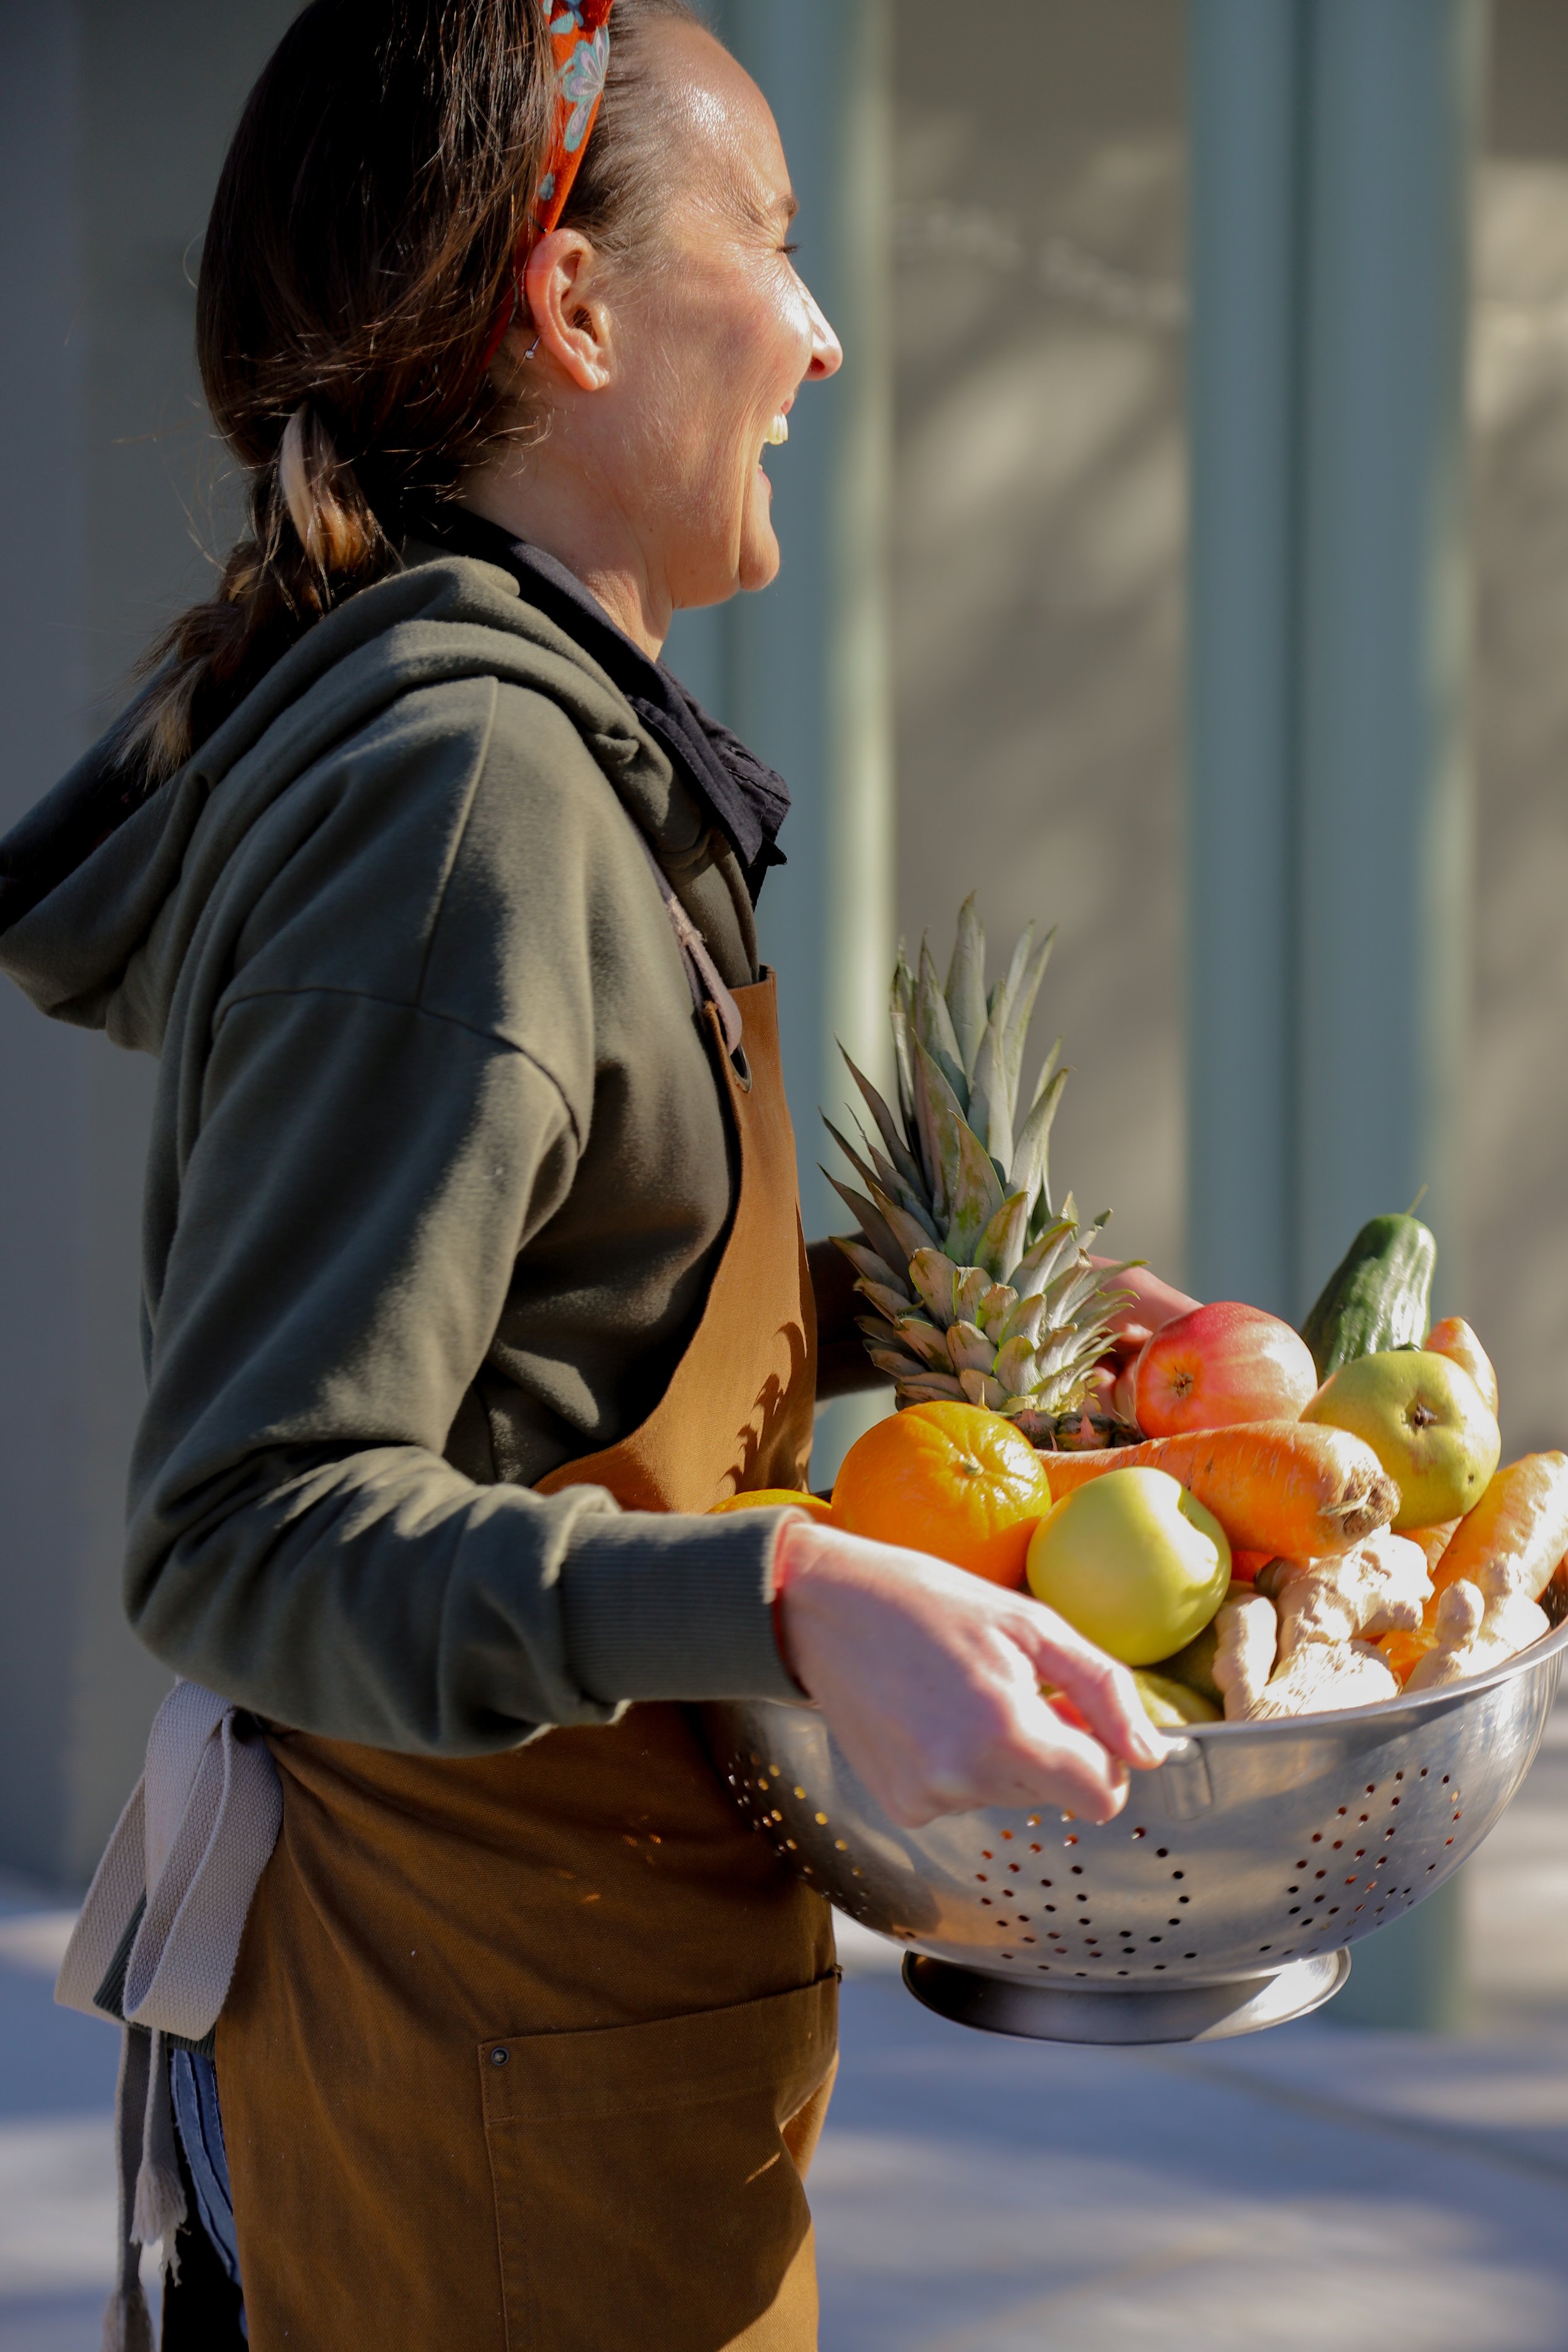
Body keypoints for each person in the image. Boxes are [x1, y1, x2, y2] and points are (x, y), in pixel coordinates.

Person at [0, 4, 1175, 2346]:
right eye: (776, 242)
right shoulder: (468, 802)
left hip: (577, 2076)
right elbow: (245, 1523)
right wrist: (781, 1596)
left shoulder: (542, 747)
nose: (824, 338)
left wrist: (894, 1317)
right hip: (464, 2113)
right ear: (576, 303)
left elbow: (534, 1334)